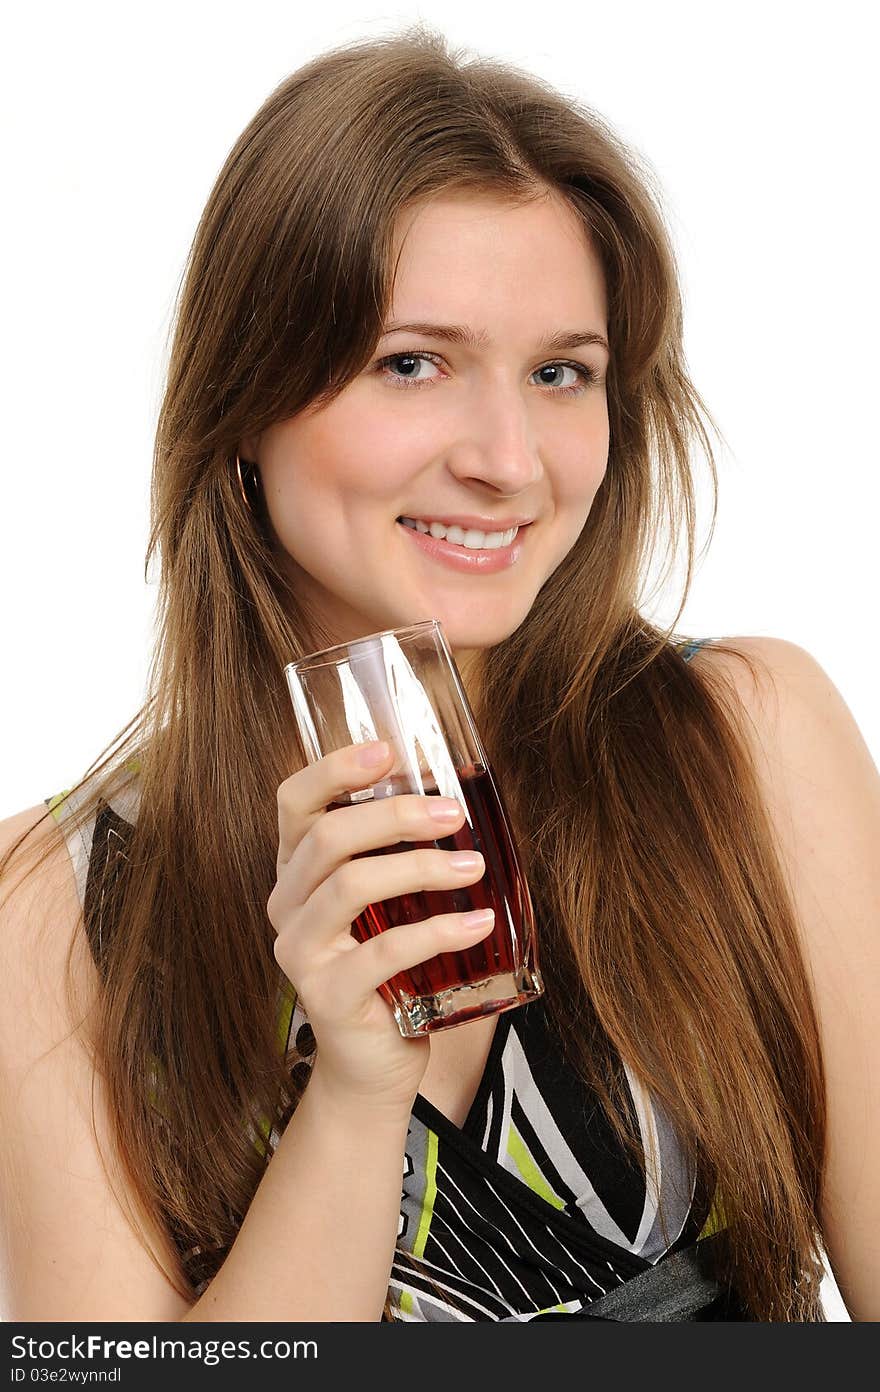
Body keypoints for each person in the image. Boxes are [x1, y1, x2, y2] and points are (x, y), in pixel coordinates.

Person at [0, 25, 876, 1324]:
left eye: (561, 374)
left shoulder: (746, 741)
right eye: (414, 363)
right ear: (248, 399)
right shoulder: (55, 916)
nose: (510, 459)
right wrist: (356, 1087)